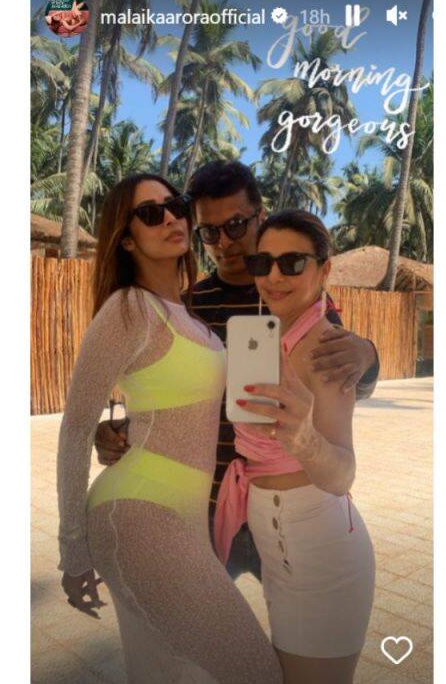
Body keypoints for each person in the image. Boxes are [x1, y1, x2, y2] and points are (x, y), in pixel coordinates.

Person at [95, 160, 380, 583]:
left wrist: (367, 357)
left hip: (286, 504)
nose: (224, 242)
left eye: (236, 225)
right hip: (207, 506)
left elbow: (343, 387)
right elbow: (170, 399)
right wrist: (120, 432)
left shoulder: (295, 297)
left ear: (260, 216)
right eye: (209, 232)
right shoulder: (188, 306)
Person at [56, 173, 282, 684]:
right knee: (256, 672)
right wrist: (73, 552)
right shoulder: (128, 308)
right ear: (126, 239)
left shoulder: (186, 312)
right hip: (140, 514)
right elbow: (75, 429)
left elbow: (174, 402)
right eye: (150, 213)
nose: (172, 218)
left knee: (167, 672)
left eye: (176, 205)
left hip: (187, 516)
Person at [215, 210, 375, 684]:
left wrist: (304, 439)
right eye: (262, 263)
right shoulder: (266, 337)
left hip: (319, 552)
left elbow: (342, 475)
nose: (274, 276)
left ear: (324, 270)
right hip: (279, 547)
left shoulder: (328, 349)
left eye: (292, 262)